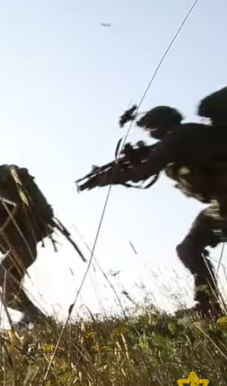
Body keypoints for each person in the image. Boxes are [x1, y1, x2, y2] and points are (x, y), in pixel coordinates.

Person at [77, 88, 227, 317]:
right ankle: (208, 307)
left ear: (158, 126)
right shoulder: (189, 135)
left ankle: (208, 308)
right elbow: (154, 156)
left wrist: (108, 177)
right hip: (221, 206)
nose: (149, 134)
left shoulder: (180, 136)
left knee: (190, 248)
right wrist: (136, 158)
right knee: (190, 247)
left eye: (150, 129)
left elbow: (144, 171)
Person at [0, 162, 60, 329]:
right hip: (23, 248)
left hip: (23, 247)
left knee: (5, 284)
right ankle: (35, 318)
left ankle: (36, 317)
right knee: (9, 288)